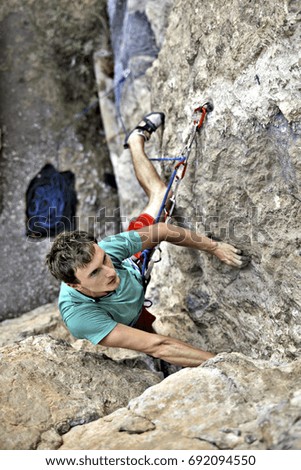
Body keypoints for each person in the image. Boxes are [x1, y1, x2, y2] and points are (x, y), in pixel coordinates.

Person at [46, 112, 247, 368]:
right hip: (126, 317)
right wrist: (226, 365)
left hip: (135, 266)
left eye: (105, 260)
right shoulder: (81, 316)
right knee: (152, 341)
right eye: (96, 272)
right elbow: (157, 345)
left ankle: (136, 140)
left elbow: (161, 231)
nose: (109, 272)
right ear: (76, 286)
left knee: (161, 194)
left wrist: (214, 246)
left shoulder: (109, 250)